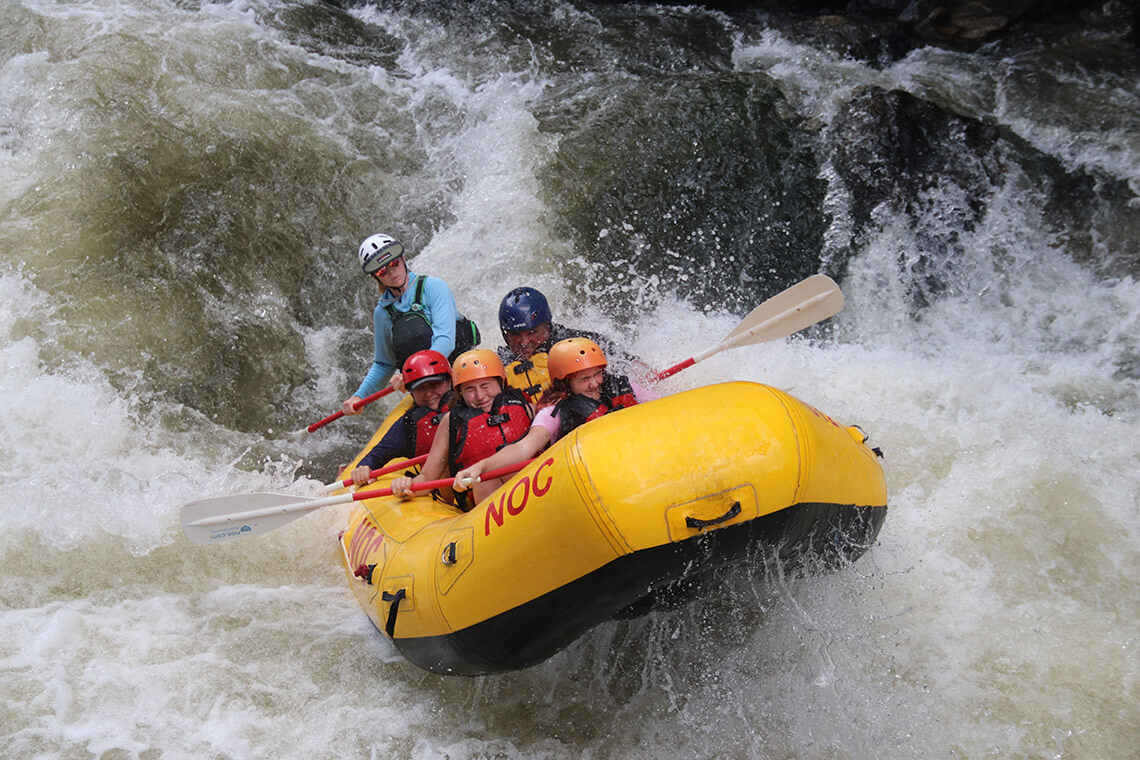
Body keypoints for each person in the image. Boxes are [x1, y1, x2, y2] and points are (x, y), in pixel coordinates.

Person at [452, 337, 657, 494]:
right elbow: (524, 447)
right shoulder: (553, 411)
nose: (594, 384)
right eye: (584, 378)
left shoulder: (618, 386)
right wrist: (481, 466)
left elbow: (660, 407)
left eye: (597, 374)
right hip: (593, 479)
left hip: (635, 460)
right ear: (565, 382)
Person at [342, 234, 479, 416]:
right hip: (427, 393)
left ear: (403, 259)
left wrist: (411, 374)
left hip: (462, 377)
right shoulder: (383, 313)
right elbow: (384, 364)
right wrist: (359, 396)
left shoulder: (433, 287)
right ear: (376, 278)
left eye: (394, 263)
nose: (391, 272)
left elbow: (445, 340)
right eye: (382, 272)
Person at [389, 349, 533, 508]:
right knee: (485, 482)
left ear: (501, 382)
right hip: (484, 504)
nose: (480, 396)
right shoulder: (451, 422)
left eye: (485, 385)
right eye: (470, 390)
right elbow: (428, 477)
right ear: (460, 392)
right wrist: (408, 485)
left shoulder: (527, 407)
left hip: (532, 485)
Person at [496, 286, 643, 403]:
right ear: (505, 335)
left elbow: (624, 360)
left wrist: (640, 370)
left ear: (547, 327)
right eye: (515, 335)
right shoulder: (500, 365)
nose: (524, 342)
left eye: (533, 332)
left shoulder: (575, 342)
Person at [347, 350, 453, 486]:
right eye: (420, 388)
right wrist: (364, 469)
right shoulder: (409, 425)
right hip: (444, 490)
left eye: (434, 385)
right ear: (411, 392)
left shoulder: (469, 403)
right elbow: (374, 457)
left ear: (449, 381)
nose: (428, 394)